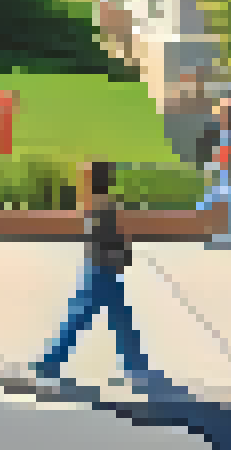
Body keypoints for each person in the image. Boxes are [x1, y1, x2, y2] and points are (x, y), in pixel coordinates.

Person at [35, 161, 162, 392]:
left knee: (104, 319)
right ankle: (135, 368)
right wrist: (124, 256)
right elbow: (116, 238)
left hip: (98, 269)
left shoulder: (95, 205)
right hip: (104, 271)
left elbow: (102, 238)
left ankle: (52, 362)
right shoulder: (107, 206)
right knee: (111, 320)